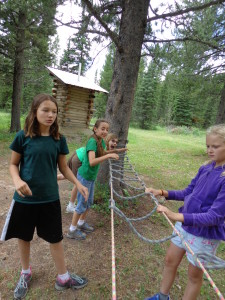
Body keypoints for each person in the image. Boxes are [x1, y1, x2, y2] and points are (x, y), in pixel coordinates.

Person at [0, 94, 89, 300]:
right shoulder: (23, 137)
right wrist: (17, 181)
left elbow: (64, 169)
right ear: (35, 111)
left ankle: (64, 277)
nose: (50, 115)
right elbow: (13, 164)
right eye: (45, 110)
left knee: (55, 238)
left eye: (54, 111)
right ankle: (25, 272)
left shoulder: (59, 139)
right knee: (24, 237)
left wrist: (78, 183)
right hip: (25, 199)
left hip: (50, 199)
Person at [145, 124, 225, 300]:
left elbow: (214, 216)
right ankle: (162, 296)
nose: (210, 150)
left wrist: (175, 216)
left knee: (193, 276)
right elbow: (188, 192)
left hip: (205, 234)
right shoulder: (206, 168)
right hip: (185, 225)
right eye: (208, 146)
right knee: (169, 260)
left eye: (215, 146)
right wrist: (163, 193)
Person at [66, 119, 121, 240]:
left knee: (89, 202)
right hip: (85, 177)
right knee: (81, 204)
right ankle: (72, 230)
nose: (105, 131)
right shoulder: (92, 142)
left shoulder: (100, 141)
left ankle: (81, 223)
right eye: (103, 129)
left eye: (107, 129)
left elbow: (100, 153)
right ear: (95, 129)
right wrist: (108, 155)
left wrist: (113, 151)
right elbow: (92, 162)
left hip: (91, 177)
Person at [58, 132, 127, 213]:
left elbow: (105, 153)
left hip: (78, 154)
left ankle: (52, 178)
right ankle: (71, 206)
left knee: (67, 176)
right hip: (79, 158)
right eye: (113, 141)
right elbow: (98, 157)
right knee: (77, 182)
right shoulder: (102, 144)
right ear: (108, 139)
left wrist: (118, 150)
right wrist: (111, 154)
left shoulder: (102, 144)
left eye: (116, 142)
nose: (115, 143)